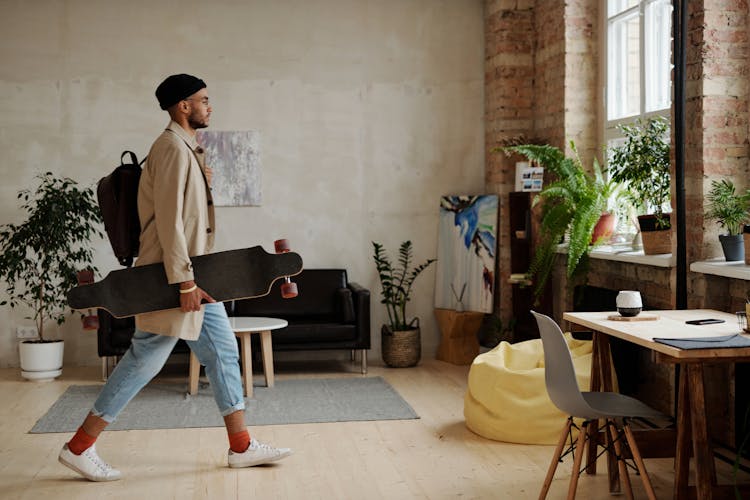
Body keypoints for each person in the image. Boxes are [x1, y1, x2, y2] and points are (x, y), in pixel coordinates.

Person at [58, 74, 291, 481]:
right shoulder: (169, 148)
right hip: (174, 279)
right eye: (203, 100)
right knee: (145, 358)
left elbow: (182, 213)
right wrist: (184, 282)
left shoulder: (184, 148)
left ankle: (241, 445)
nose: (209, 106)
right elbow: (167, 222)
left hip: (197, 275)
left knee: (221, 353)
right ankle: (79, 447)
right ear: (183, 106)